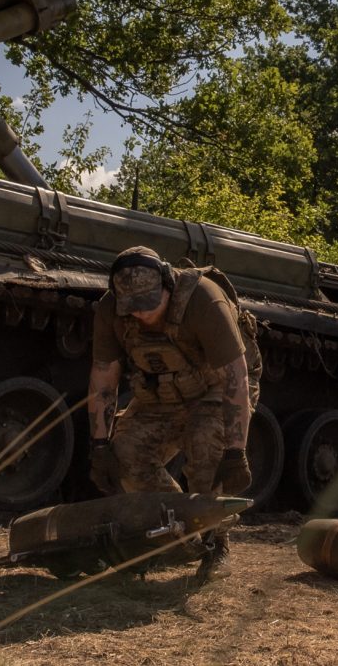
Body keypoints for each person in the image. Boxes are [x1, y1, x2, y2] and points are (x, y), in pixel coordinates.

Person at [87, 245, 256, 584]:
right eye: (132, 308)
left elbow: (236, 378)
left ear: (167, 284)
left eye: (150, 305)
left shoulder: (203, 301)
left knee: (208, 448)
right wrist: (100, 446)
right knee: (127, 455)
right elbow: (104, 379)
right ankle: (182, 531)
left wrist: (236, 451)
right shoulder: (111, 311)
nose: (142, 315)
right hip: (158, 397)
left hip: (214, 390)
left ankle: (216, 543)